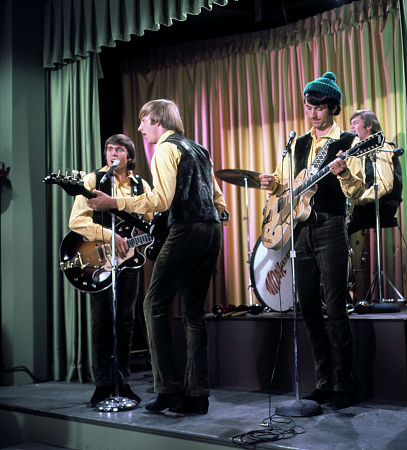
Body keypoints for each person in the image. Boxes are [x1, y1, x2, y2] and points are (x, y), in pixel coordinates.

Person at [85, 99, 229, 415]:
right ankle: (198, 395)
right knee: (193, 311)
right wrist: (215, 216)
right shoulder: (198, 148)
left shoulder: (165, 148)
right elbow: (218, 197)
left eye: (144, 121)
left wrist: (115, 203)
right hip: (212, 230)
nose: (140, 128)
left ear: (158, 121)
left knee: (153, 305)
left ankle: (169, 391)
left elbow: (161, 200)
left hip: (187, 230)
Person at [260, 72, 365, 409]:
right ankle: (322, 382)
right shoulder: (297, 142)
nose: (312, 113)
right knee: (307, 307)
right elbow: (285, 182)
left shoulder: (349, 141)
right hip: (300, 229)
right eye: (308, 106)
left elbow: (358, 191)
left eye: (318, 107)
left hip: (331, 226)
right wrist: (271, 183)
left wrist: (343, 172)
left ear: (332, 107)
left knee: (335, 307)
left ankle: (344, 386)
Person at [69, 134, 152, 407]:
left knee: (126, 322)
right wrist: (107, 235)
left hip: (129, 260)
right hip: (99, 259)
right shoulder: (92, 180)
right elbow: (76, 222)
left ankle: (123, 382)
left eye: (118, 149)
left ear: (130, 155)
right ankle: (103, 385)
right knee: (102, 321)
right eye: (109, 149)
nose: (112, 153)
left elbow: (153, 221)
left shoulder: (140, 184)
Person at [347, 110, 402, 235]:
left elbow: (384, 185)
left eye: (355, 123)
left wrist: (359, 199)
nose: (351, 128)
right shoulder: (357, 151)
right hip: (365, 204)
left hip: (382, 204)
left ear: (369, 125)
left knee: (337, 226)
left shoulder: (381, 147)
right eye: (351, 124)